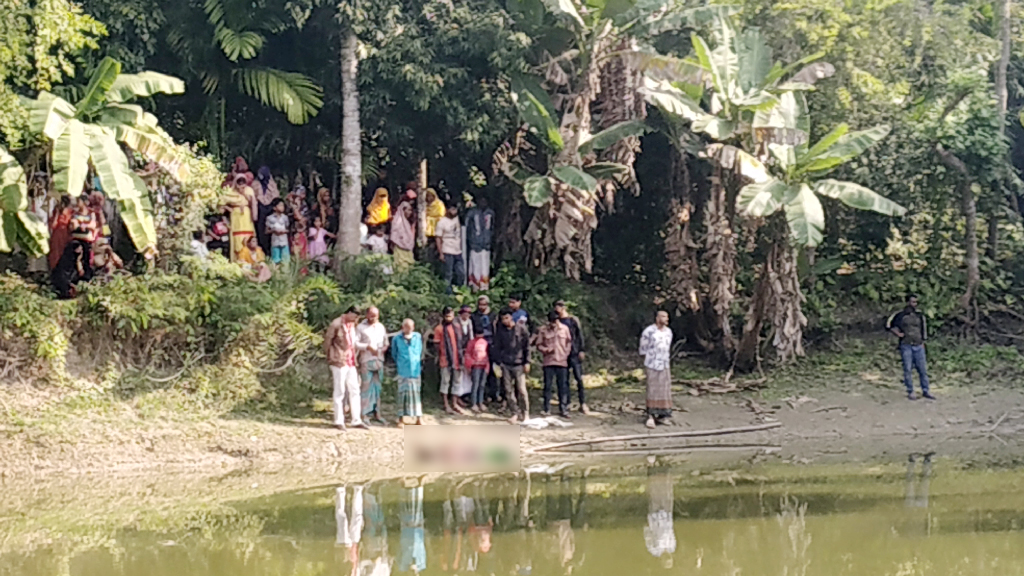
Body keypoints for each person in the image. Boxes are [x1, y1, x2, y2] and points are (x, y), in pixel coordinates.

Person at [325, 306, 369, 430]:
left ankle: (356, 420)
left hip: (350, 361)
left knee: (355, 389)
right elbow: (328, 340)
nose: (356, 319)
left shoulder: (352, 325)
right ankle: (338, 420)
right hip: (338, 359)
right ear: (349, 313)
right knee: (340, 391)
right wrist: (330, 356)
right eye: (355, 316)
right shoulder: (336, 324)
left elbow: (352, 343)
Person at [886, 294, 935, 400]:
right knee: (907, 369)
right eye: (912, 302)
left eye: (916, 302)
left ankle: (926, 390)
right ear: (907, 302)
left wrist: (923, 342)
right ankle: (910, 391)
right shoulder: (900, 315)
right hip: (906, 345)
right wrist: (898, 334)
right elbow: (890, 325)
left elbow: (923, 329)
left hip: (918, 345)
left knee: (922, 370)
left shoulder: (920, 315)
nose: (914, 304)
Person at [494, 309, 531, 424]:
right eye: (503, 319)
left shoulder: (521, 329)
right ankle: (514, 412)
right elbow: (497, 348)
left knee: (521, 390)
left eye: (507, 318)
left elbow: (527, 347)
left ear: (511, 317)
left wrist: (527, 362)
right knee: (508, 391)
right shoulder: (500, 331)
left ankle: (526, 413)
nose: (505, 321)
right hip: (506, 364)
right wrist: (498, 363)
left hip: (519, 363)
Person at [639, 311, 674, 429]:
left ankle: (663, 415)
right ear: (657, 318)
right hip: (652, 364)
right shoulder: (649, 331)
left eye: (667, 317)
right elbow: (643, 349)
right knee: (653, 389)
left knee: (664, 389)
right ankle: (650, 416)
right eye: (664, 317)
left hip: (664, 364)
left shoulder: (668, 332)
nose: (666, 319)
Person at [555, 300, 589, 415]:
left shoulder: (572, 320)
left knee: (578, 378)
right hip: (562, 354)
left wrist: (581, 349)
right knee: (564, 380)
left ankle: (582, 402)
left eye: (560, 306)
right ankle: (566, 403)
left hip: (574, 352)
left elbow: (579, 335)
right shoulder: (557, 321)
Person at [357, 306, 389, 425]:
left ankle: (377, 412)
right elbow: (355, 343)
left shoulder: (381, 327)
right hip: (366, 360)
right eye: (371, 316)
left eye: (375, 316)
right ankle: (364, 413)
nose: (373, 318)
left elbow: (386, 342)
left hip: (379, 360)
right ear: (367, 315)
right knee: (366, 387)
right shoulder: (360, 327)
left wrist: (383, 349)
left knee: (377, 388)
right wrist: (367, 347)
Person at [537, 310, 572, 419]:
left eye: (555, 321)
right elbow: (538, 344)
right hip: (549, 362)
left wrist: (566, 354)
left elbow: (569, 342)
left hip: (562, 361)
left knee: (562, 386)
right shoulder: (543, 330)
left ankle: (564, 409)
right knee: (548, 386)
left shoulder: (565, 329)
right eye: (551, 321)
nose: (553, 323)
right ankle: (546, 409)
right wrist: (546, 350)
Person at [434, 307, 468, 414]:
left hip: (457, 359)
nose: (450, 318)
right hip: (445, 359)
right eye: (447, 316)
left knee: (457, 381)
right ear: (443, 316)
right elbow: (436, 344)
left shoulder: (457, 327)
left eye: (451, 316)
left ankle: (454, 403)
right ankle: (446, 404)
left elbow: (461, 342)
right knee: (445, 382)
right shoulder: (439, 328)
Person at [392, 319, 424, 427]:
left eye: (410, 326)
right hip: (403, 370)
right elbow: (394, 353)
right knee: (402, 395)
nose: (408, 328)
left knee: (416, 395)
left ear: (413, 327)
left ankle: (418, 418)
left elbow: (419, 350)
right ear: (403, 327)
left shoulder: (417, 336)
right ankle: (400, 418)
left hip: (415, 370)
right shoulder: (397, 338)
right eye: (406, 326)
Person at [644, 465, 676, 566]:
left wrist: (647, 525)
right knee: (666, 494)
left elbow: (648, 536)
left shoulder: (654, 550)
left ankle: (652, 472)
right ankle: (665, 472)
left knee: (654, 495)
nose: (668, 558)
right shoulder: (672, 547)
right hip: (667, 517)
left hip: (655, 519)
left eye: (666, 560)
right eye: (669, 559)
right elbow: (671, 533)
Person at [224, 174, 256, 261]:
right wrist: (229, 209)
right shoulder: (231, 191)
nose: (241, 185)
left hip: (246, 214)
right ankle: (237, 259)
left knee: (248, 234)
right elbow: (222, 202)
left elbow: (252, 202)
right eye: (239, 182)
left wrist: (243, 193)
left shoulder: (249, 190)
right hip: (236, 214)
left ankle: (250, 258)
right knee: (237, 235)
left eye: (243, 182)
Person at [465, 197, 495, 291]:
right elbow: (467, 228)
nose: (483, 202)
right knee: (475, 266)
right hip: (475, 244)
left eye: (485, 201)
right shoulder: (472, 213)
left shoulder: (490, 213)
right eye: (481, 200)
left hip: (486, 244)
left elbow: (492, 227)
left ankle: (484, 287)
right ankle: (474, 287)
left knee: (485, 266)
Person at [436, 205, 465, 293]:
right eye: (452, 209)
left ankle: (459, 291)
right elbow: (438, 238)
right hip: (447, 250)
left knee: (461, 273)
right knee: (448, 274)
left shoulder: (458, 219)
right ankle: (447, 295)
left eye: (455, 209)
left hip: (458, 251)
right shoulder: (442, 222)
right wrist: (440, 253)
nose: (454, 211)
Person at [253, 166, 279, 253]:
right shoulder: (255, 184)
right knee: (261, 230)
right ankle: (262, 250)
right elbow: (254, 197)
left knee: (270, 229)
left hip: (271, 209)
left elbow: (275, 196)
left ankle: (270, 250)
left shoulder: (272, 184)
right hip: (260, 209)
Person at [465, 331, 490, 413]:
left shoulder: (485, 342)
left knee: (482, 385)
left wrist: (487, 366)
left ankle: (480, 402)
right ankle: (473, 403)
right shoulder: (471, 342)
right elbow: (468, 354)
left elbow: (487, 354)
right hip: (475, 366)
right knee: (475, 385)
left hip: (484, 365)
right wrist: (469, 365)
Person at [391, 196, 417, 271]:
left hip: (408, 249)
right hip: (399, 248)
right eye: (408, 210)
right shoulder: (397, 221)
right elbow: (394, 235)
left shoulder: (408, 222)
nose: (410, 212)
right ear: (403, 210)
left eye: (410, 210)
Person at [48, 196, 73, 270]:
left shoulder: (70, 212)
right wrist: (57, 213)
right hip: (57, 234)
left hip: (65, 234)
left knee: (63, 252)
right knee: (55, 252)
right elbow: (53, 225)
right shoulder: (56, 212)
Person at [266, 198, 291, 264]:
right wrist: (274, 231)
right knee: (276, 260)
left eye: (283, 206)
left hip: (284, 241)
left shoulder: (285, 218)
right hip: (275, 242)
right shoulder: (269, 218)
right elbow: (266, 231)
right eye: (280, 205)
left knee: (285, 260)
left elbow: (288, 229)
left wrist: (284, 231)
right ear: (274, 207)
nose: (282, 207)